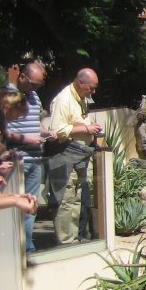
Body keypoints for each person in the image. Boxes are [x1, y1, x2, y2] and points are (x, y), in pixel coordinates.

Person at [1, 61, 55, 252]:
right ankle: (14, 248)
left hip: (36, 159)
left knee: (32, 204)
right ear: (22, 77)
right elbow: (1, 130)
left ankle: (28, 245)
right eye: (33, 83)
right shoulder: (8, 96)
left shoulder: (35, 98)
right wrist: (26, 139)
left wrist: (46, 132)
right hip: (17, 159)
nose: (35, 88)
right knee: (15, 204)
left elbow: (36, 123)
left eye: (39, 85)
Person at [47, 68, 103, 244]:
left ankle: (74, 239)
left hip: (80, 155)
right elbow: (56, 131)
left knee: (77, 198)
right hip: (65, 155)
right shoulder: (64, 99)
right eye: (91, 88)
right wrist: (86, 129)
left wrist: (90, 127)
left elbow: (76, 121)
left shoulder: (81, 98)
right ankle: (65, 241)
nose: (93, 92)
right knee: (65, 199)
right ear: (80, 83)